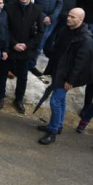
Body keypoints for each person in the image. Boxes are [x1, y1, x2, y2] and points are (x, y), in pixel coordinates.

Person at [38, 8, 93, 144]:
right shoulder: (65, 30)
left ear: (81, 19)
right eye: (69, 15)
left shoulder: (85, 39)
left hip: (67, 76)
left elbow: (81, 64)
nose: (69, 18)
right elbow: (58, 50)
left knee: (55, 101)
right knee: (60, 100)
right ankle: (58, 125)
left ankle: (52, 131)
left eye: (73, 17)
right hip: (58, 71)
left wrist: (71, 80)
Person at [0, 0, 44, 114]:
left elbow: (40, 32)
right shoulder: (9, 7)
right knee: (3, 73)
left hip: (26, 50)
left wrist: (27, 45)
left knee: (23, 77)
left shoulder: (37, 9)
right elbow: (5, 28)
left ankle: (19, 99)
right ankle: (0, 97)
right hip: (10, 48)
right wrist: (13, 44)